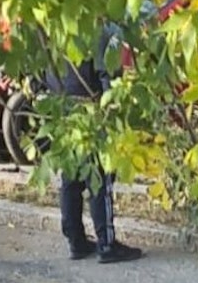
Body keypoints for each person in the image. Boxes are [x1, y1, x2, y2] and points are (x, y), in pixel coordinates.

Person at [45, 58, 144, 263]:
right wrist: (112, 109)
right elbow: (106, 70)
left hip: (62, 106)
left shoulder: (52, 31)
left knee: (71, 177)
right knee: (99, 178)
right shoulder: (99, 31)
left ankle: (76, 241)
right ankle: (106, 244)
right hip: (91, 109)